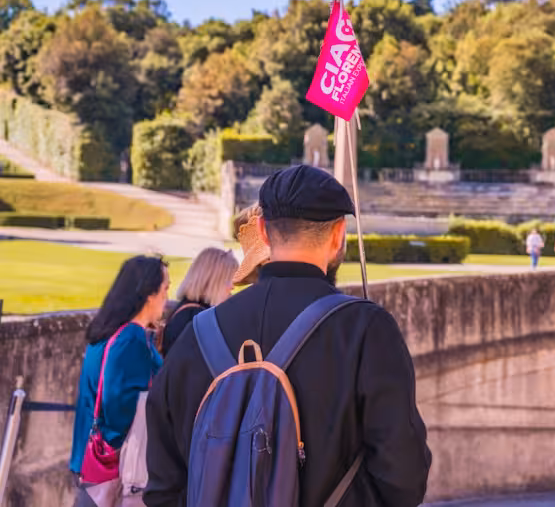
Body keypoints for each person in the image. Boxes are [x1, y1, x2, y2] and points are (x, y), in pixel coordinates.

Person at [145, 164, 431, 507]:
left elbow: (163, 485)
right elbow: (404, 477)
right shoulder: (367, 331)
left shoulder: (197, 333)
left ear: (263, 232)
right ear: (339, 235)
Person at [70, 256, 169, 506]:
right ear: (149, 293)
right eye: (165, 289)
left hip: (88, 459)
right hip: (115, 469)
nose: (167, 298)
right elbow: (119, 408)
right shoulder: (132, 337)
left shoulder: (106, 330)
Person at [158, 247, 237, 356]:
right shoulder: (198, 317)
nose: (232, 286)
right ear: (213, 281)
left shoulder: (187, 310)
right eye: (229, 280)